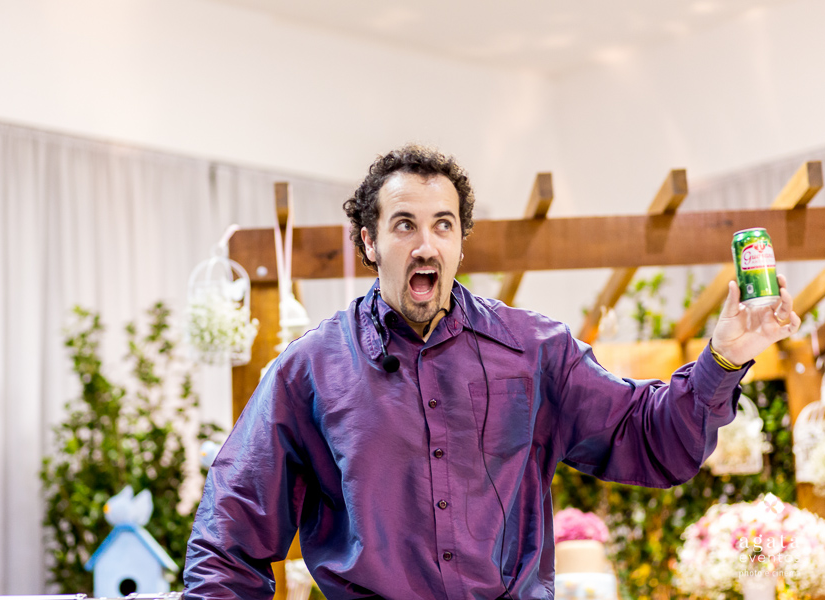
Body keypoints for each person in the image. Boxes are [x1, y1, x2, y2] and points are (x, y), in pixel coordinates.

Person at [184, 144, 801, 600]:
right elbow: (227, 542)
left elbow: (651, 439)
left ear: (460, 242)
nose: (425, 245)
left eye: (443, 225)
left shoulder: (535, 351)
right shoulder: (308, 371)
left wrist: (724, 357)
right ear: (369, 242)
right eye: (404, 225)